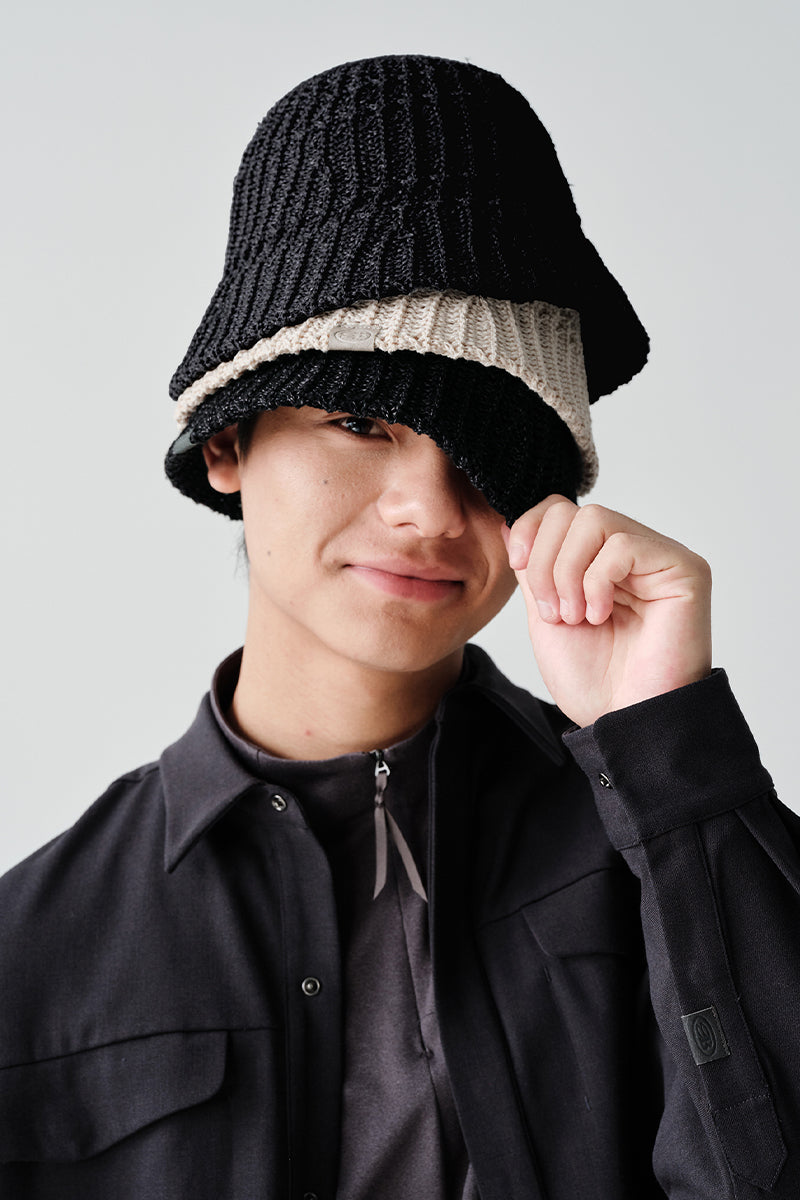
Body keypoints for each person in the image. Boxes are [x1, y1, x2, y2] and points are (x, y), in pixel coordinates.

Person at [0, 53, 798, 1200]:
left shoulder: (667, 848)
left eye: (487, 450)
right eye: (361, 421)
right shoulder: (38, 947)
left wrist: (670, 751)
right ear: (227, 442)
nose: (428, 509)